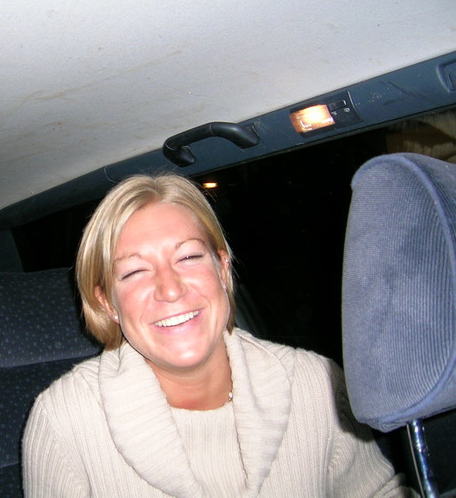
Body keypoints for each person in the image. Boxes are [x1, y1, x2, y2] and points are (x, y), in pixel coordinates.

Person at [22, 173, 413, 497]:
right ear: (107, 303)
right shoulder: (65, 421)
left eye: (189, 257)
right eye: (135, 272)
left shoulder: (315, 385)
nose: (170, 289)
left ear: (222, 269)